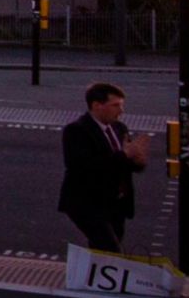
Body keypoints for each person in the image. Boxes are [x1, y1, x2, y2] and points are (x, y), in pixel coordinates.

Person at [58, 81, 151, 252]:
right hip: (87, 202)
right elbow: (84, 167)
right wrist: (125, 155)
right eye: (115, 105)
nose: (121, 111)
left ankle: (92, 277)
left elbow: (123, 163)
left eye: (121, 105)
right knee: (110, 248)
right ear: (96, 106)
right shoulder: (77, 131)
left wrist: (137, 162)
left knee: (104, 250)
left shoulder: (119, 128)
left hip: (115, 202)